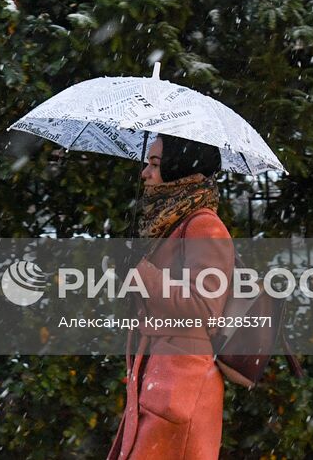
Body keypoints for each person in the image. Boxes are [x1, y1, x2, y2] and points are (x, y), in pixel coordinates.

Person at [107, 133, 235, 460]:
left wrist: (139, 270)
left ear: (179, 168)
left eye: (154, 164)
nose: (145, 174)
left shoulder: (205, 226)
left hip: (180, 391)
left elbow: (203, 309)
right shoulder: (169, 224)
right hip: (159, 385)